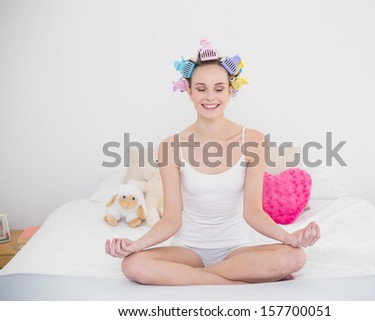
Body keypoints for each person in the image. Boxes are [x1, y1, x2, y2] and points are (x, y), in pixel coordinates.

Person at [105, 40, 320, 285]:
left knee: (294, 258)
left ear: (230, 91)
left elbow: (253, 213)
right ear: (189, 92)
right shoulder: (169, 146)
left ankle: (198, 278)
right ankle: (234, 282)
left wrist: (289, 238)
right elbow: (171, 220)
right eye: (201, 89)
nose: (210, 97)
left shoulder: (253, 140)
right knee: (132, 264)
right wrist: (136, 245)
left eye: (219, 88)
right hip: (188, 250)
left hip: (235, 250)